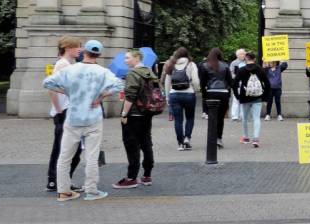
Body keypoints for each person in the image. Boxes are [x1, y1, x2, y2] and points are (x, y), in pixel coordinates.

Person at [42, 39, 123, 202]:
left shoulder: (71, 70)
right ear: (99, 54)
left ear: (84, 52)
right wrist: (101, 97)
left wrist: (66, 92)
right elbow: (119, 85)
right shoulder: (103, 72)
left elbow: (48, 83)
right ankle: (92, 191)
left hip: (73, 118)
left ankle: (63, 191)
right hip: (93, 118)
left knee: (64, 156)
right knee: (91, 156)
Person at [113, 49, 157, 189]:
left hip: (133, 114)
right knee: (146, 143)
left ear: (137, 58)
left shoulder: (133, 74)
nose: (125, 61)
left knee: (132, 145)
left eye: (127, 58)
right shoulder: (150, 72)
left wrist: (124, 113)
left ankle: (131, 177)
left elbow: (130, 97)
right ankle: (147, 175)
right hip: (147, 113)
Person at [46, 37, 83, 192]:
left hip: (68, 110)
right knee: (64, 148)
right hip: (64, 111)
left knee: (72, 148)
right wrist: (59, 110)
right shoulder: (62, 64)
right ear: (68, 48)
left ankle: (61, 179)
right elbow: (51, 87)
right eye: (77, 47)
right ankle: (55, 180)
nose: (80, 50)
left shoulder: (69, 64)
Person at [163, 47, 200, 150]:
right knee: (190, 118)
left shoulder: (171, 65)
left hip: (174, 95)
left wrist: (167, 97)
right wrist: (196, 89)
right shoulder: (191, 64)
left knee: (178, 120)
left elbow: (167, 82)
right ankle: (187, 138)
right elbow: (196, 81)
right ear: (187, 54)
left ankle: (180, 143)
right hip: (189, 94)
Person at [233, 52, 269, 147]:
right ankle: (256, 139)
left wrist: (237, 96)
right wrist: (265, 97)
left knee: (245, 118)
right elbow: (267, 84)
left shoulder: (241, 70)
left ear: (246, 59)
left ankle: (246, 137)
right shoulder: (260, 69)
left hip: (245, 97)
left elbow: (234, 84)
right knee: (256, 118)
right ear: (255, 59)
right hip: (257, 97)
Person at [199, 48, 233, 148]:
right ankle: (219, 138)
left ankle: (211, 138)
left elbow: (203, 82)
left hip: (211, 92)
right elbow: (230, 81)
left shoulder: (205, 65)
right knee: (220, 118)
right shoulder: (225, 65)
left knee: (212, 117)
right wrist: (228, 93)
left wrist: (204, 94)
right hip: (223, 92)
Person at [229, 48, 246, 121]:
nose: (243, 55)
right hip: (237, 83)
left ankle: (243, 115)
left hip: (245, 83)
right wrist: (236, 77)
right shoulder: (234, 63)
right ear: (237, 55)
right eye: (241, 54)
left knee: (244, 100)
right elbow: (231, 73)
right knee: (236, 99)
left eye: (244, 54)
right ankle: (234, 116)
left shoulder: (246, 62)